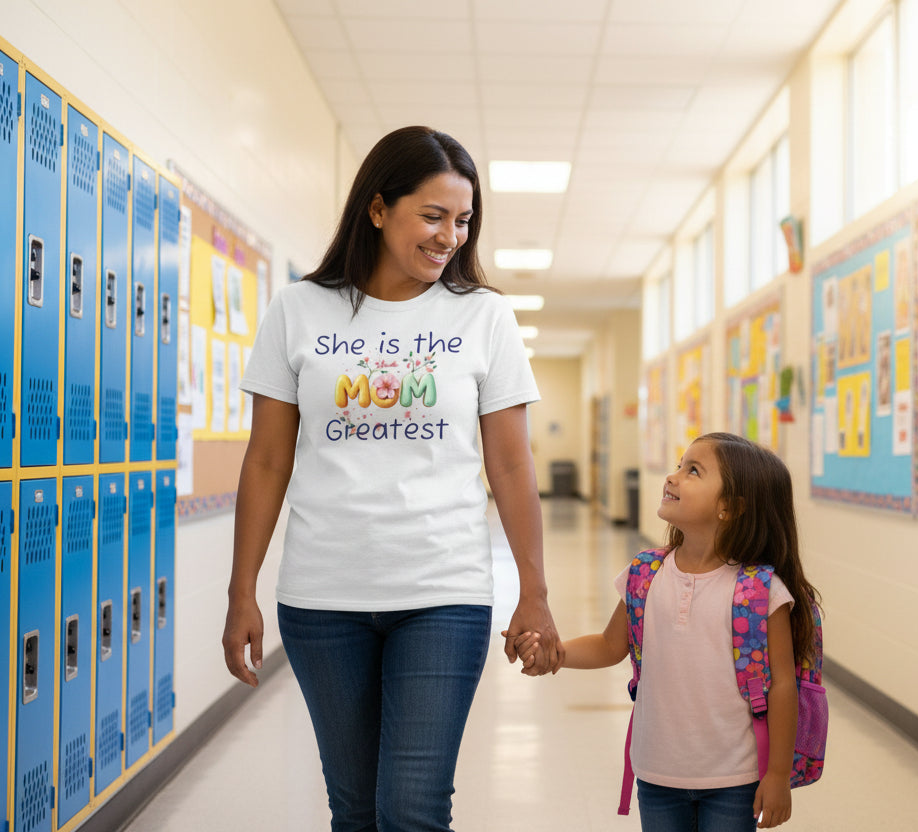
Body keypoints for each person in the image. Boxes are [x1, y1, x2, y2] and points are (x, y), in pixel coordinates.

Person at [222, 125, 561, 832]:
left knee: (410, 808)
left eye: (463, 221)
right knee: (354, 809)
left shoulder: (485, 317)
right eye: (433, 215)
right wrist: (240, 591)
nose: (450, 237)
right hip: (322, 597)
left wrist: (534, 590)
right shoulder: (298, 310)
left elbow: (510, 464)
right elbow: (267, 461)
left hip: (443, 590)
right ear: (377, 209)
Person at [511, 432, 821, 830]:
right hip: (656, 772)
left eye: (693, 471)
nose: (673, 477)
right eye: (679, 465)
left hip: (735, 778)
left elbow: (781, 685)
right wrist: (555, 654)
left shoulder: (759, 592)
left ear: (730, 507)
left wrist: (777, 774)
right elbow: (610, 645)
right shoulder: (645, 574)